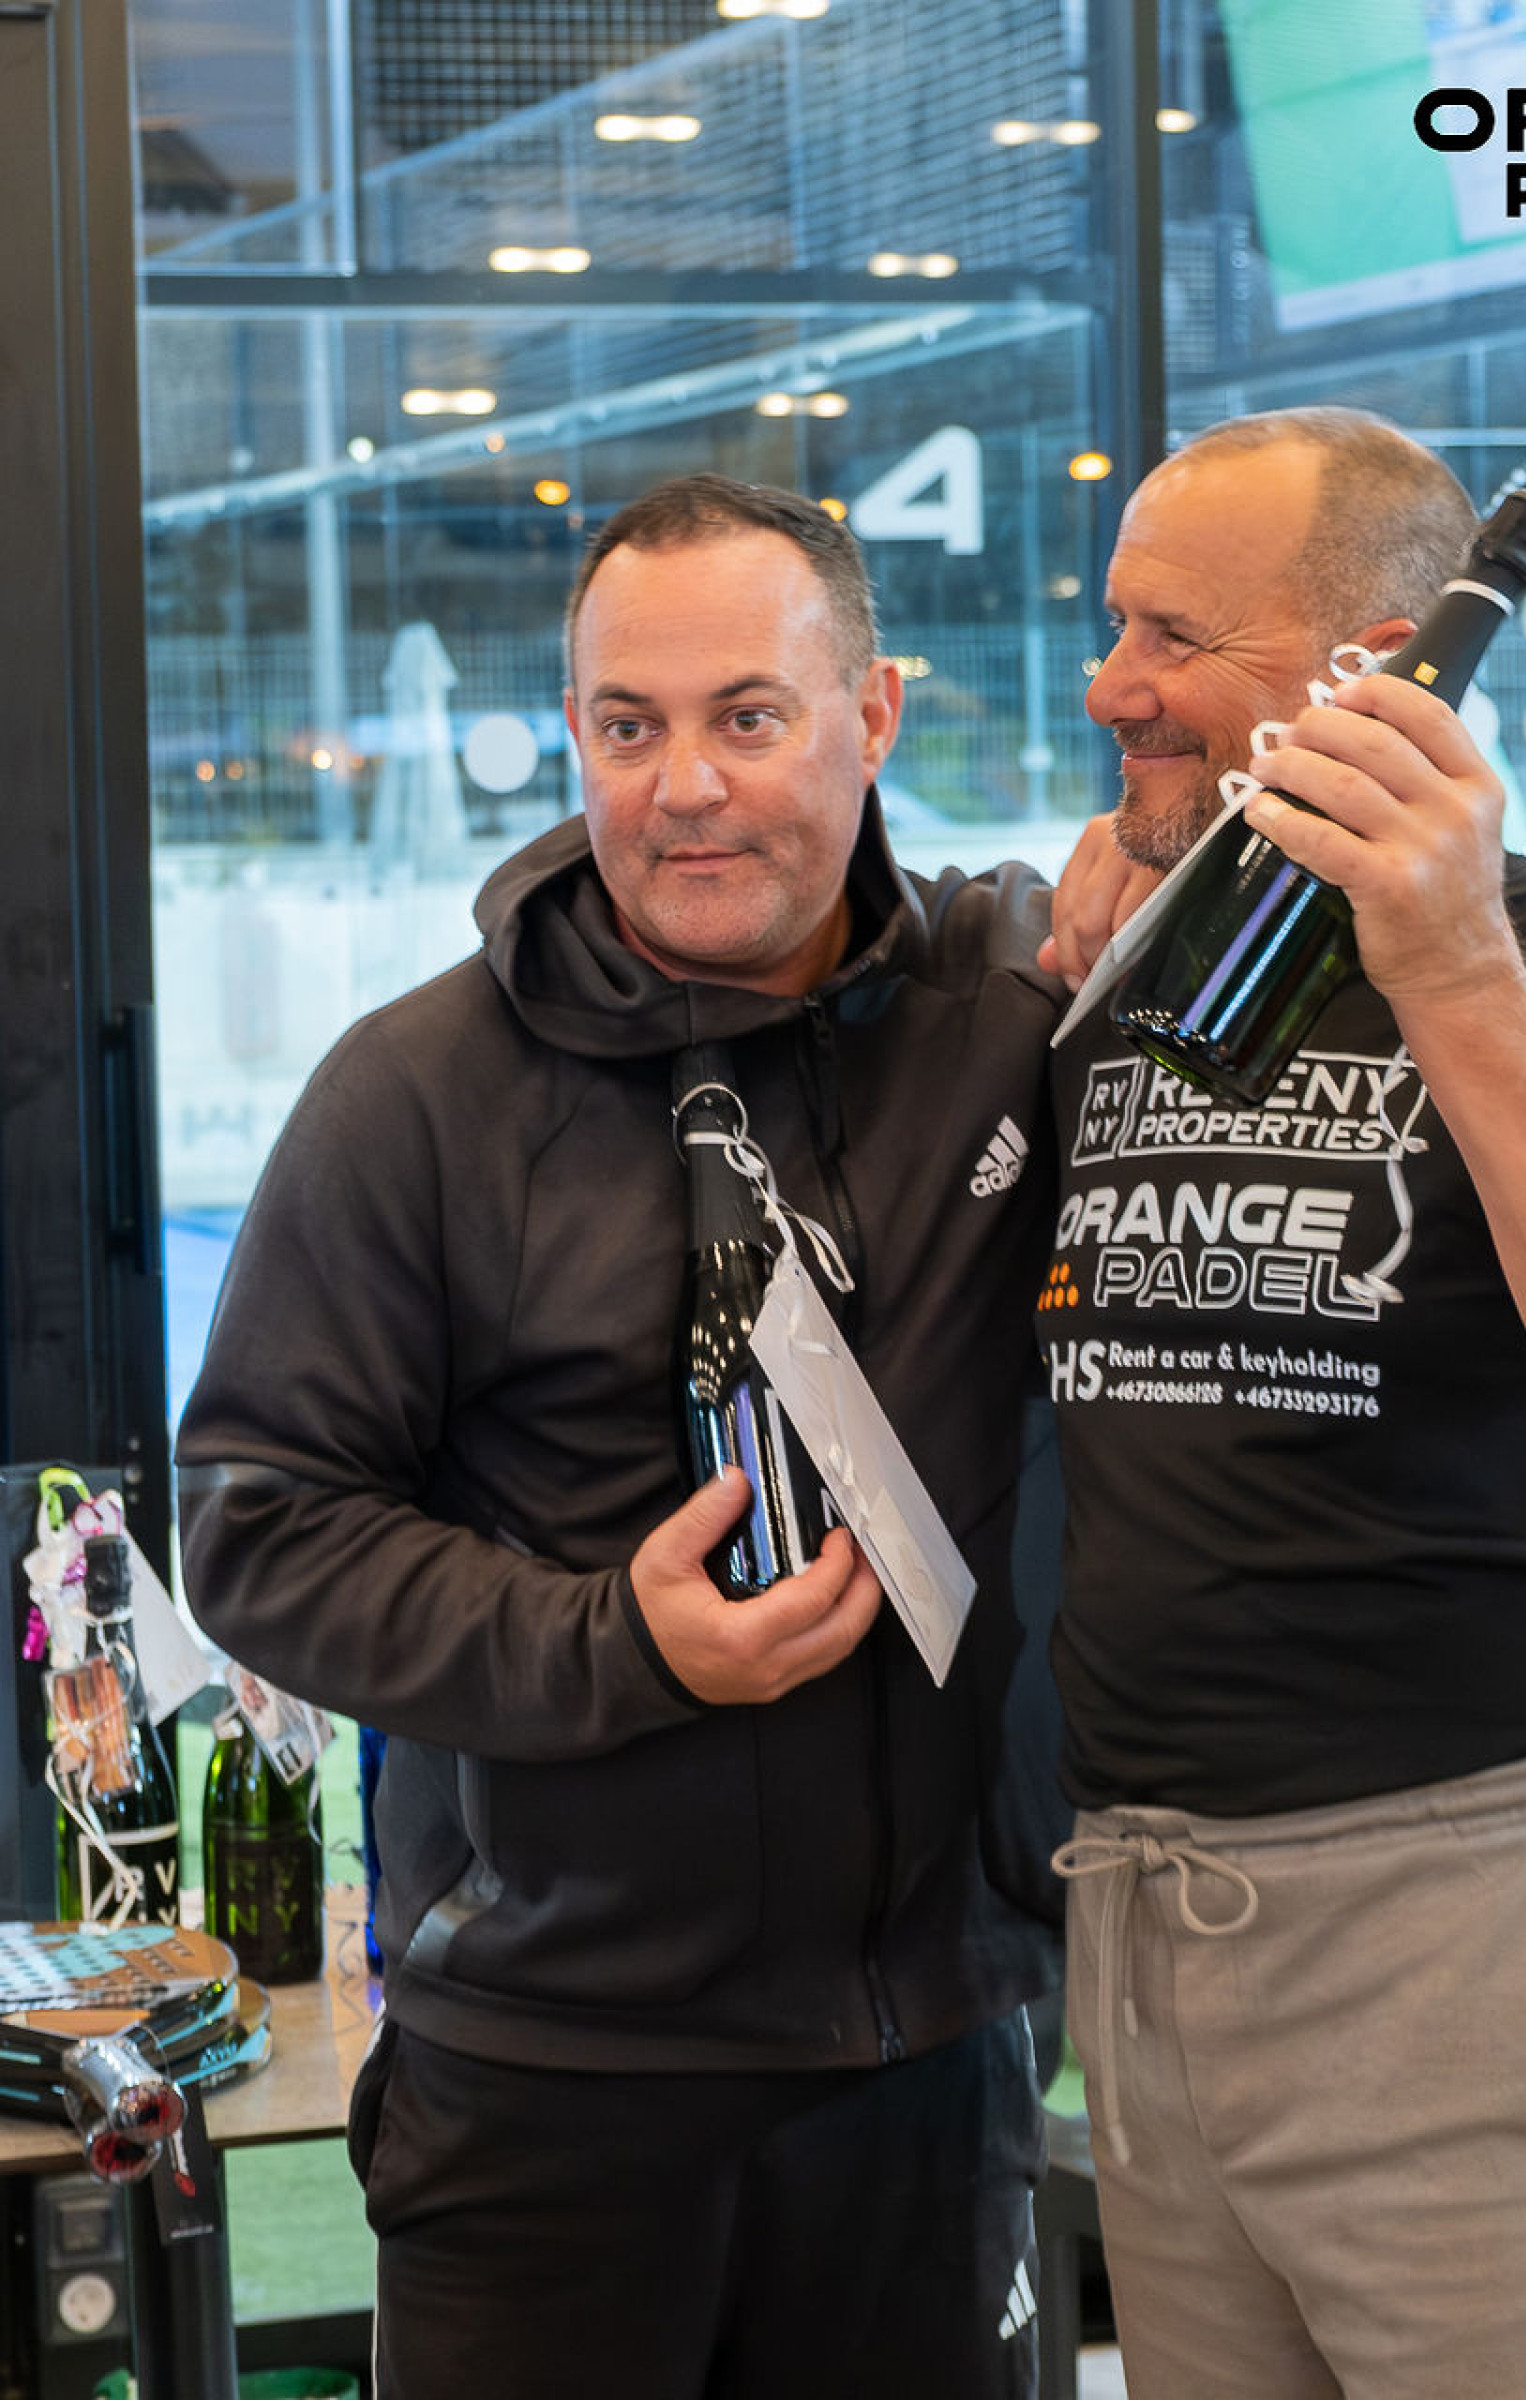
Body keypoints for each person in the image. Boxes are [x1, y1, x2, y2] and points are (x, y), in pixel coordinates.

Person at [175, 475, 1070, 2400]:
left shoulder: (1010, 1020)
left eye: (749, 716)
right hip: (550, 2086)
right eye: (626, 725)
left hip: (934, 2063)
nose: (686, 787)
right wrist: (617, 1643)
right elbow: (257, 1526)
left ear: (874, 714)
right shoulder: (417, 1096)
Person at [1040, 407, 1526, 2400]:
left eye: (1172, 637)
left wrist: (1445, 966)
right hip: (1149, 1918)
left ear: (1375, 671)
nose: (1111, 687)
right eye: (1114, 626)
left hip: (1476, 1931)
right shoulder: (1126, 975)